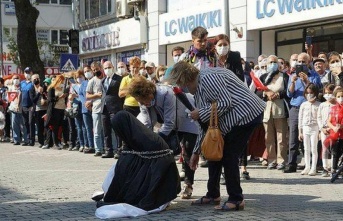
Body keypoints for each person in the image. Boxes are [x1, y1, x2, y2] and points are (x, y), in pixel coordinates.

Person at [168, 61, 265, 211]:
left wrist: (200, 113)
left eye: (180, 84)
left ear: (185, 79)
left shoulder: (207, 79)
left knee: (228, 155)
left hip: (246, 114)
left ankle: (236, 199)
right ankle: (213, 194)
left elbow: (225, 102)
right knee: (212, 153)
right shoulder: (199, 87)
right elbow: (205, 126)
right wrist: (196, 151)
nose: (181, 89)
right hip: (236, 117)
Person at [97, 111, 181, 211]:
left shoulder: (148, 139)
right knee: (122, 163)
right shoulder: (134, 136)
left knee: (124, 164)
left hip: (160, 178)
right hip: (150, 168)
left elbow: (157, 167)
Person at [284, 52, 322, 173]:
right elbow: (289, 94)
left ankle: (313, 164)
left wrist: (306, 81)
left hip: (311, 107)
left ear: (308, 62)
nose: (300, 64)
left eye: (303, 61)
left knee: (312, 138)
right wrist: (294, 82)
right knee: (293, 137)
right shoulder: (292, 75)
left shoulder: (314, 75)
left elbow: (316, 91)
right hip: (295, 108)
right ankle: (291, 163)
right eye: (299, 61)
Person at [258, 55, 289, 170]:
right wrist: (266, 94)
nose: (272, 64)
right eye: (270, 62)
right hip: (267, 109)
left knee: (281, 137)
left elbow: (288, 91)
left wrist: (278, 94)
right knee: (268, 137)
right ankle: (271, 160)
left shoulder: (284, 76)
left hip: (280, 107)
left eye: (274, 62)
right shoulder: (263, 77)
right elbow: (258, 92)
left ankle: (282, 160)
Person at [128, 76, 176, 145]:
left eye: (142, 101)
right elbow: (147, 122)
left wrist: (156, 140)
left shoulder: (166, 94)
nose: (141, 103)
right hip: (166, 125)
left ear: (148, 94)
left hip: (184, 122)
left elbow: (169, 122)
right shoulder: (141, 98)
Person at [101, 61, 124, 158]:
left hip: (115, 107)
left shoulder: (119, 79)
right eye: (105, 68)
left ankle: (119, 150)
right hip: (104, 108)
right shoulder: (103, 80)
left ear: (113, 67)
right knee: (106, 130)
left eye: (109, 67)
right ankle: (108, 150)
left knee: (117, 130)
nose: (107, 70)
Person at [298, 83, 320, 176]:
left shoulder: (319, 105)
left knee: (314, 149)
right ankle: (307, 166)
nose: (309, 95)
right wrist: (300, 131)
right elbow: (300, 118)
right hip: (306, 128)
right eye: (307, 93)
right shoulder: (303, 105)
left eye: (311, 93)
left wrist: (319, 132)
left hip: (315, 128)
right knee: (306, 148)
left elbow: (320, 118)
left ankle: (313, 168)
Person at [42, 75, 68, 149]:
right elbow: (50, 99)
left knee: (59, 127)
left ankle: (57, 142)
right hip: (54, 109)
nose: (62, 82)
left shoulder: (63, 88)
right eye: (61, 80)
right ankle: (52, 143)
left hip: (62, 108)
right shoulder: (52, 88)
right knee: (53, 126)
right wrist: (59, 97)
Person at [86, 62, 105, 156]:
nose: (95, 71)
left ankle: (107, 148)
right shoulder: (92, 81)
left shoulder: (106, 79)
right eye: (93, 70)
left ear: (101, 68)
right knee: (97, 130)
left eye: (97, 69)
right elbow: (87, 95)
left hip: (106, 108)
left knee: (106, 130)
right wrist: (96, 95)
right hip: (96, 108)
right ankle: (98, 149)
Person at [317, 84, 335, 177]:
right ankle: (325, 167)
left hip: (333, 129)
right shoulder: (322, 105)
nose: (328, 95)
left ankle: (333, 167)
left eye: (330, 93)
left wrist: (331, 127)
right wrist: (321, 128)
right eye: (326, 93)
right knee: (324, 149)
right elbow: (319, 117)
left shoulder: (336, 105)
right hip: (324, 129)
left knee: (333, 149)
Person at [326, 87, 343, 178]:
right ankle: (334, 169)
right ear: (335, 98)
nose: (341, 98)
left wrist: (341, 126)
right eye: (339, 96)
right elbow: (328, 121)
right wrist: (333, 127)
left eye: (342, 96)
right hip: (335, 134)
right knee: (335, 152)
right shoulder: (333, 108)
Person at [8, 75, 28, 145]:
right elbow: (9, 98)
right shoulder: (11, 88)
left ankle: (26, 140)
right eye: (14, 78)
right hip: (13, 109)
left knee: (23, 125)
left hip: (21, 109)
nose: (16, 80)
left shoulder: (22, 87)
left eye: (17, 78)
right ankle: (16, 140)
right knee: (14, 125)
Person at [79, 65, 95, 153]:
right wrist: (85, 102)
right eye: (85, 72)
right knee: (88, 128)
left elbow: (98, 93)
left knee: (96, 128)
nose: (87, 73)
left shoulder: (96, 81)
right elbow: (80, 94)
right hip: (85, 109)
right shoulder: (83, 83)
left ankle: (98, 146)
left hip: (94, 107)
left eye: (88, 71)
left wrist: (91, 102)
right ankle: (90, 145)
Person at [20, 67, 35, 146]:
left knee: (30, 123)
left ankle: (32, 140)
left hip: (31, 106)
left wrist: (33, 105)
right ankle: (27, 140)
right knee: (25, 123)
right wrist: (19, 105)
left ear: (31, 73)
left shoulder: (33, 83)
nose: (27, 74)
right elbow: (20, 94)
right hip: (23, 106)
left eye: (29, 72)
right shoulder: (22, 83)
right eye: (26, 72)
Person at [32, 74, 47, 148]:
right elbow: (33, 100)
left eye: (37, 78)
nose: (36, 80)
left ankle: (47, 141)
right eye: (34, 79)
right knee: (39, 127)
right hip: (37, 110)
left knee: (46, 126)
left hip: (45, 109)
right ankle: (41, 142)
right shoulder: (32, 89)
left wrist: (44, 98)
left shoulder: (44, 87)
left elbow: (46, 96)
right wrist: (38, 93)